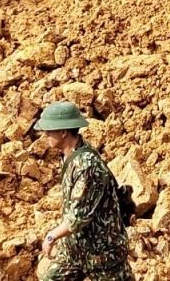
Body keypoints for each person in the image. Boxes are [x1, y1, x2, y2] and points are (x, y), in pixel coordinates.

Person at [34, 101, 134, 281]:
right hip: (75, 250)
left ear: (64, 132)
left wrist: (51, 237)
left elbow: (77, 219)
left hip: (102, 255)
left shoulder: (87, 166)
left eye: (49, 130)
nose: (45, 134)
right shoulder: (68, 156)